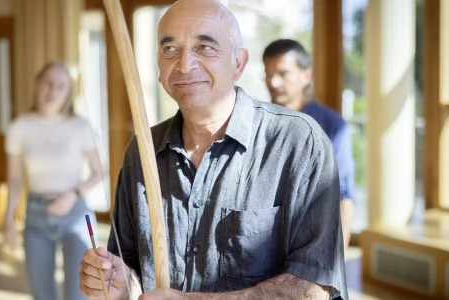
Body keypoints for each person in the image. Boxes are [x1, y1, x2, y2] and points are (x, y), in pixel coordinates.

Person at [79, 0, 348, 299]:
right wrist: (121, 283)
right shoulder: (142, 150)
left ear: (238, 63)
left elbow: (313, 287)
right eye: (170, 49)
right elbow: (133, 269)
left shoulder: (299, 142)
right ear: (158, 66)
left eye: (204, 47)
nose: (184, 64)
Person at [3, 61, 103, 300]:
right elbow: (14, 179)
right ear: (37, 84)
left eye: (61, 86)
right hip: (36, 215)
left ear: (69, 92)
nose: (53, 90)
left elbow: (100, 171)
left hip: (76, 214)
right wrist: (8, 221)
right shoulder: (20, 127)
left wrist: (74, 194)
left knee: (79, 293)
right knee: (42, 294)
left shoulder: (81, 126)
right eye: (48, 83)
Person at [262, 39, 355, 251]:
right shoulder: (258, 123)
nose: (273, 83)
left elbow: (344, 193)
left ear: (306, 75)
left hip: (313, 241)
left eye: (283, 74)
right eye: (268, 74)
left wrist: (338, 253)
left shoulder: (331, 125)